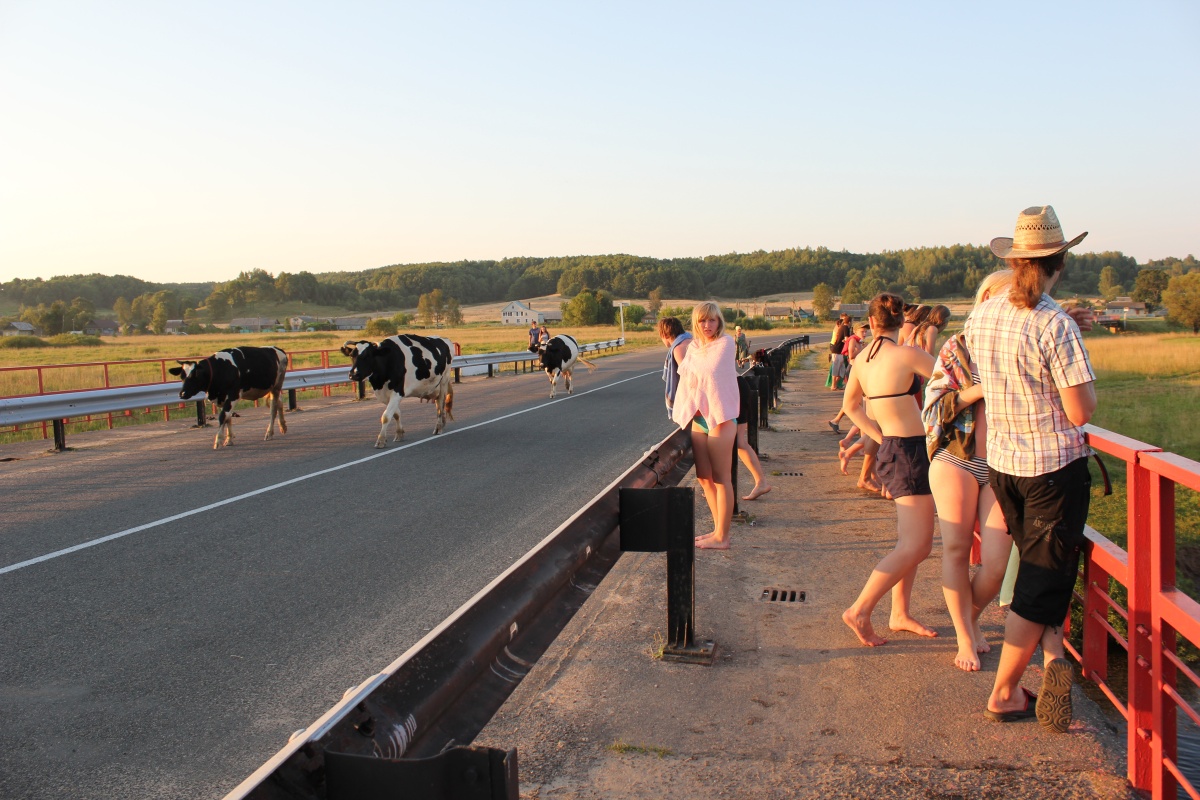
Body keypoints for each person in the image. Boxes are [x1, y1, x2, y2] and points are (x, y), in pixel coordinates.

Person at [968, 206, 1095, 732]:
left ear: (1015, 260)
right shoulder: (1055, 323)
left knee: (1038, 571)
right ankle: (1004, 693)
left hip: (1005, 465)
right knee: (1042, 580)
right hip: (1052, 471)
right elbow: (1081, 411)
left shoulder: (983, 315)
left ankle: (1050, 656)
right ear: (1059, 262)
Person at [923, 272, 1013, 672]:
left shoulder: (1019, 344)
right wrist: (983, 389)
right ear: (988, 297)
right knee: (957, 549)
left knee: (996, 564)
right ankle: (963, 635)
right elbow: (934, 405)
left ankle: (971, 618)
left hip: (1002, 463)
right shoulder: (958, 347)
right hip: (956, 456)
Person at [840, 293, 938, 646]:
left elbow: (851, 405)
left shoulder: (862, 358)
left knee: (908, 540)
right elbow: (956, 380)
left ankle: (900, 613)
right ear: (902, 320)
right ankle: (860, 609)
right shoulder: (907, 354)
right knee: (918, 545)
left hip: (894, 447)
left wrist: (879, 435)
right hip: (911, 450)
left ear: (871, 321)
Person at [671, 302, 740, 550]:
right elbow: (686, 377)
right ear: (696, 323)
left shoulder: (725, 343)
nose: (707, 325)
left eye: (712, 320)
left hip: (720, 418)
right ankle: (717, 529)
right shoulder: (694, 347)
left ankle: (723, 537)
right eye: (702, 321)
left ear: (719, 321)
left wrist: (680, 355)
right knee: (703, 478)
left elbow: (707, 372)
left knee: (721, 478)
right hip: (699, 419)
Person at [735, 374, 772, 501]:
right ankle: (761, 482)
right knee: (738, 441)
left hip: (729, 388)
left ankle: (761, 482)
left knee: (735, 441)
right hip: (734, 385)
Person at [828, 323, 868, 432]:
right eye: (862, 331)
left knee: (854, 400)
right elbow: (851, 355)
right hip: (852, 370)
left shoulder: (859, 341)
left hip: (858, 370)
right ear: (855, 331)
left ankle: (836, 421)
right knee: (857, 400)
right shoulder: (853, 340)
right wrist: (864, 348)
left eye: (866, 331)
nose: (865, 333)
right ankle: (861, 427)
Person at [659, 316, 693, 418]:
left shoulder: (678, 348)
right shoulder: (692, 340)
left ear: (664, 335)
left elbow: (688, 378)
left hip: (692, 402)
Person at [825, 315, 851, 391]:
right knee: (836, 368)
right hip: (837, 350)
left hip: (840, 351)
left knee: (842, 370)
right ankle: (833, 385)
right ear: (849, 322)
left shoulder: (842, 327)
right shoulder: (845, 327)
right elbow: (847, 339)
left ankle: (835, 385)